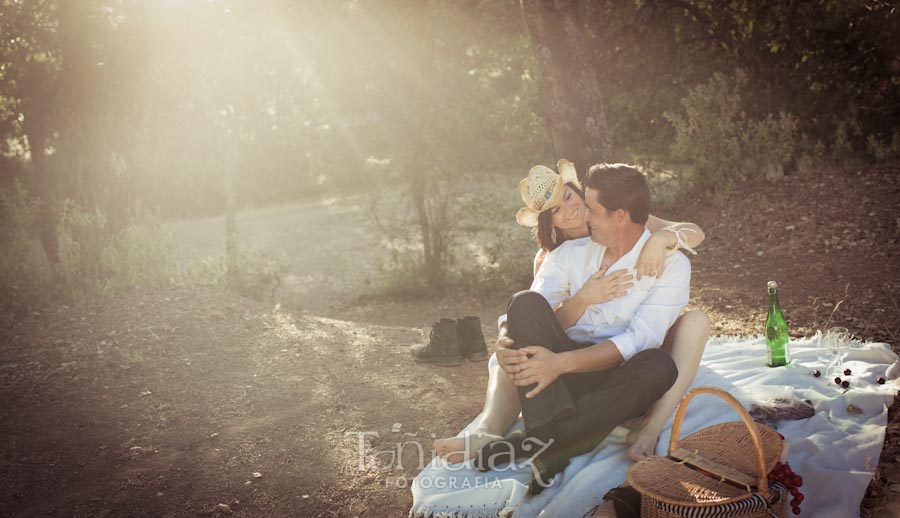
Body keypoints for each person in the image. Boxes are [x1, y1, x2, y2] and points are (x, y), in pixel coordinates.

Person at [433, 160, 709, 471]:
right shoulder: (559, 256)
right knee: (522, 308)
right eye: (557, 211)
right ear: (551, 224)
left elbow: (640, 339)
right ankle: (529, 432)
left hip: (610, 367)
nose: (576, 211)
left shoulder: (647, 234)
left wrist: (662, 239)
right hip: (561, 361)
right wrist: (575, 305)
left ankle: (543, 438)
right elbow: (531, 317)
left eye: (571, 198)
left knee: (659, 366)